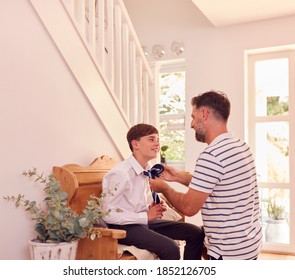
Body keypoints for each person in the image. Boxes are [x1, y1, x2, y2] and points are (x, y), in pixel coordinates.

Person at [150, 90, 263, 260]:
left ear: (204, 114)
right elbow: (218, 184)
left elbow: (189, 207)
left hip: (228, 252)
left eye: (193, 117)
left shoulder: (211, 156)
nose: (192, 124)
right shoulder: (240, 146)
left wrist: (164, 188)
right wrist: (178, 177)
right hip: (248, 243)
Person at [101, 123, 204, 260]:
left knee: (195, 233)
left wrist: (149, 209)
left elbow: (133, 203)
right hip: (122, 227)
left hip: (140, 222)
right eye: (151, 139)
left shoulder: (148, 169)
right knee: (171, 247)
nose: (157, 144)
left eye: (158, 140)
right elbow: (107, 214)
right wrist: (145, 216)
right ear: (135, 144)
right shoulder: (120, 173)